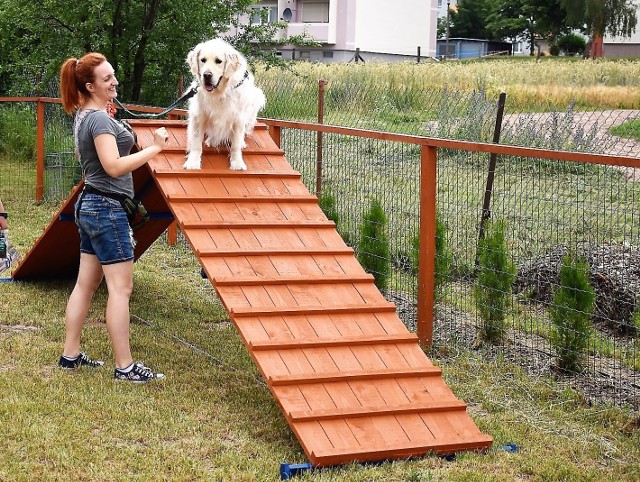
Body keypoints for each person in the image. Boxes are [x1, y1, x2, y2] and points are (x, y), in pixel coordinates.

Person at [58, 52, 169, 382]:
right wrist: (155, 148)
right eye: (107, 79)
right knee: (121, 289)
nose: (115, 82)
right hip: (107, 209)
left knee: (86, 284)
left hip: (90, 205)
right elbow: (114, 166)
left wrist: (116, 125)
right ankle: (125, 367)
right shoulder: (99, 120)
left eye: (114, 76)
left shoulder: (86, 116)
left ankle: (70, 355)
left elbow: (89, 155)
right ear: (90, 86)